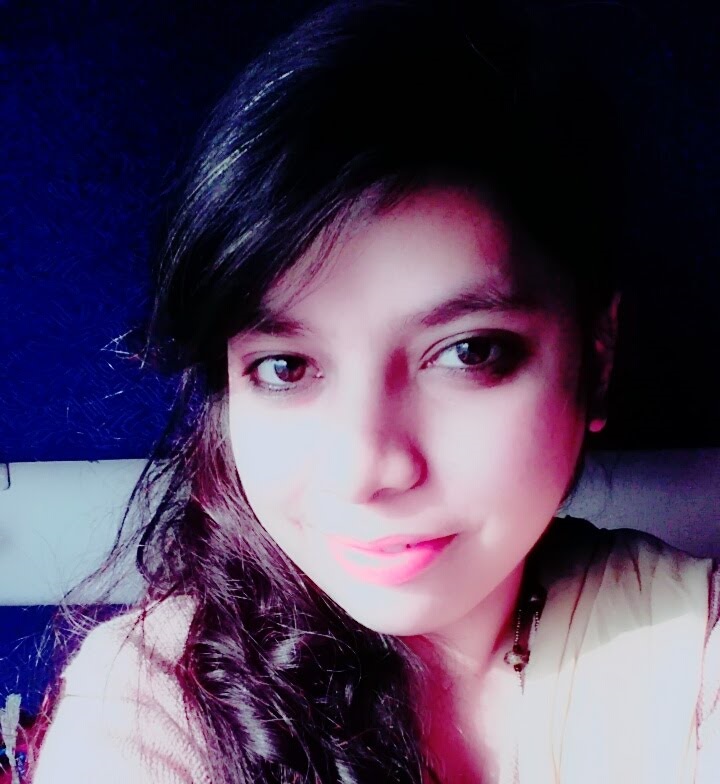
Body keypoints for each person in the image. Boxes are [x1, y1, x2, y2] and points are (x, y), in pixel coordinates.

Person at [31, 1, 720, 782]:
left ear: (597, 356)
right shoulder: (151, 706)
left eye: (467, 352)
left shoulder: (688, 653)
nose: (366, 467)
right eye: (285, 367)